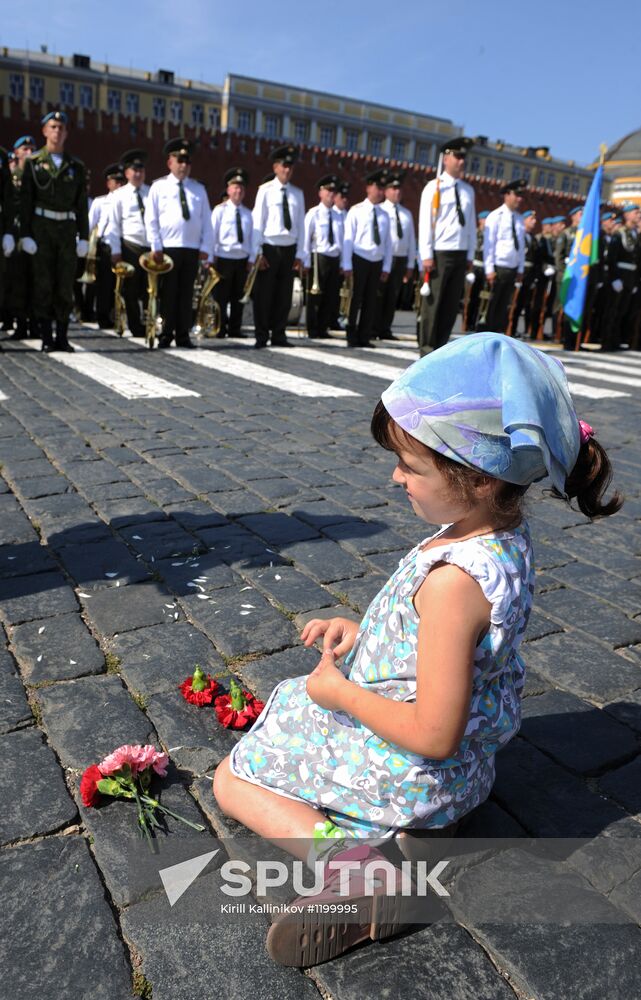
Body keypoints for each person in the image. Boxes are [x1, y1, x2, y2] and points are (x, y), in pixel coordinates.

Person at [213, 332, 622, 968]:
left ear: (477, 477)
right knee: (309, 721)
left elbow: (433, 733)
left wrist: (341, 691)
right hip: (463, 777)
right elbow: (448, 647)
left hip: (420, 768)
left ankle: (361, 872)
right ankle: (422, 835)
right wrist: (365, 634)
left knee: (233, 779)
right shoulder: (495, 537)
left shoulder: (455, 579)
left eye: (411, 465)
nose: (396, 475)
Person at [20, 110, 89, 352]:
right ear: (44, 131)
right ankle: (46, 336)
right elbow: (26, 201)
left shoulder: (76, 166)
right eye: (53, 127)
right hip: (42, 228)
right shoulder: (33, 163)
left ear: (67, 132)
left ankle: (62, 336)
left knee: (65, 284)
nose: (57, 131)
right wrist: (25, 234)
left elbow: (81, 205)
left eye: (61, 127)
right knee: (43, 284)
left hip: (66, 230)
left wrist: (85, 236)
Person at [145, 137, 214, 349]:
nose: (184, 165)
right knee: (169, 293)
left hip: (191, 248)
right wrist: (155, 245)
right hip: (168, 248)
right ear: (170, 163)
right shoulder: (158, 187)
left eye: (187, 161)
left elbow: (207, 222)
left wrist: (206, 249)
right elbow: (151, 218)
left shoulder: (198, 189)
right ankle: (166, 334)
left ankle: (183, 334)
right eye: (179, 160)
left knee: (186, 294)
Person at [417, 137, 476, 354]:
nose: (462, 161)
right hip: (440, 252)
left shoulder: (468, 191)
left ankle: (440, 347)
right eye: (458, 156)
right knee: (433, 304)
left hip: (460, 253)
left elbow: (470, 226)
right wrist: (426, 254)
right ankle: (426, 348)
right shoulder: (433, 187)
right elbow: (425, 222)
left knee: (451, 305)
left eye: (464, 157)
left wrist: (470, 253)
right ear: (446, 158)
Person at [251, 144, 305, 348]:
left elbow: (300, 225)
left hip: (289, 247)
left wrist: (300, 254)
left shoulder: (297, 194)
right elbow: (258, 222)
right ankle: (261, 335)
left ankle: (279, 334)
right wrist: (257, 251)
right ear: (275, 167)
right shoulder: (265, 191)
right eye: (284, 166)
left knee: (284, 295)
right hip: (270, 247)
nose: (287, 170)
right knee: (264, 295)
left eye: (290, 167)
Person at [341, 168, 392, 348]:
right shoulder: (357, 211)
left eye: (382, 188)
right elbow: (348, 239)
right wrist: (346, 263)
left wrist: (386, 267)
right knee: (355, 299)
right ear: (368, 188)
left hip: (376, 261)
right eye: (377, 187)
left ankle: (365, 335)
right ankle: (351, 333)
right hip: (359, 258)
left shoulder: (385, 215)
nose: (380, 191)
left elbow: (387, 244)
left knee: (371, 300)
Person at [106, 148, 151, 338]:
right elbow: (113, 226)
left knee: (151, 289)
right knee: (131, 290)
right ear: (127, 173)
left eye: (141, 170)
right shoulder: (119, 195)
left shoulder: (152, 193)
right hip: (130, 246)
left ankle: (150, 322)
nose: (138, 173)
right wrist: (115, 251)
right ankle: (135, 325)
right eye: (134, 170)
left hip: (150, 248)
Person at [210, 166, 254, 338]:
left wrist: (251, 258)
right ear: (228, 189)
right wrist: (211, 258)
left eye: (241, 188)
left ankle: (235, 328)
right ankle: (219, 328)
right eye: (235, 187)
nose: (239, 191)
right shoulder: (219, 211)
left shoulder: (248, 214)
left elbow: (251, 238)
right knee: (221, 297)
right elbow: (212, 235)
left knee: (238, 297)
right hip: (223, 257)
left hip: (241, 259)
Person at [302, 173, 344, 339]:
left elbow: (342, 240)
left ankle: (323, 327)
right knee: (314, 296)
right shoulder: (313, 213)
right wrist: (305, 260)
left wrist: (343, 262)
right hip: (318, 257)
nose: (331, 194)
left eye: (333, 192)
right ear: (320, 193)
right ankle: (312, 328)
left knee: (330, 296)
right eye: (327, 191)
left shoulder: (338, 216)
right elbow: (306, 238)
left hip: (333, 258)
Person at [3, 135, 36, 340]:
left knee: (36, 280)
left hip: (35, 233)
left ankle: (36, 323)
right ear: (16, 153)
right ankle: (19, 322)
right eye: (25, 149)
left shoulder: (37, 174)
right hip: (14, 232)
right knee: (16, 280)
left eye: (32, 149)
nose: (29, 153)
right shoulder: (11, 176)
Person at [376, 171, 416, 340]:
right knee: (379, 295)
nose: (397, 192)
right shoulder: (380, 210)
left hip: (400, 259)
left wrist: (410, 265)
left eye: (399, 189)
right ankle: (373, 327)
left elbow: (411, 240)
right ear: (386, 191)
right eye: (393, 188)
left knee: (393, 295)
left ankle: (385, 328)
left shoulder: (406, 214)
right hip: (385, 257)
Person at [482, 179, 526, 333]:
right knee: (490, 306)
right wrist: (489, 269)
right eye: (517, 195)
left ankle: (497, 334)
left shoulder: (519, 219)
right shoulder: (496, 216)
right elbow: (489, 245)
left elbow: (520, 247)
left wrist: (520, 268)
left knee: (504, 307)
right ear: (507, 195)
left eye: (521, 196)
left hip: (512, 268)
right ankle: (485, 335)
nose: (519, 199)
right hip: (498, 268)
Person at [600, 202, 640, 352]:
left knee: (622, 311)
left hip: (630, 277)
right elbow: (611, 257)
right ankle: (606, 341)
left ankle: (615, 341)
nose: (638, 215)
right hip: (619, 276)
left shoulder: (635, 233)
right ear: (627, 215)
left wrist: (635, 280)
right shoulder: (619, 233)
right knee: (612, 310)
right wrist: (615, 277)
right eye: (636, 213)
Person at [92, 163, 126, 329]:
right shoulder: (100, 202)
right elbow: (91, 224)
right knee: (105, 284)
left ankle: (118, 315)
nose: (119, 184)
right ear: (108, 183)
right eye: (116, 181)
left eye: (121, 181)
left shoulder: (128, 199)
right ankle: (103, 316)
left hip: (123, 243)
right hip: (105, 246)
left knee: (120, 283)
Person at [463, 209, 488, 331]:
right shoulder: (475, 233)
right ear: (480, 221)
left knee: (482, 297)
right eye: (485, 219)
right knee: (470, 297)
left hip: (484, 268)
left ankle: (476, 322)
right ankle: (466, 322)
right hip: (474, 267)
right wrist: (470, 271)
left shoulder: (489, 235)